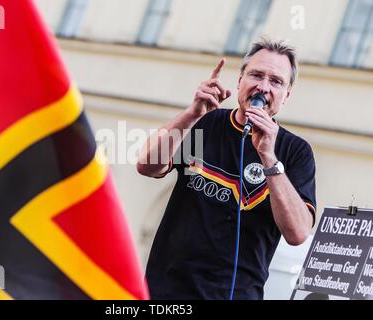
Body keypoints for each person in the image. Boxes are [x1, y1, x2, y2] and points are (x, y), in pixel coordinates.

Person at [136, 37, 317, 300]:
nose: (263, 87)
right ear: (240, 80)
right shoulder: (205, 122)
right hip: (167, 290)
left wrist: (268, 157)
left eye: (276, 81)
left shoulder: (295, 152)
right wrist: (192, 113)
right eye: (256, 75)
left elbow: (298, 233)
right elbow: (147, 165)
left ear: (286, 95)